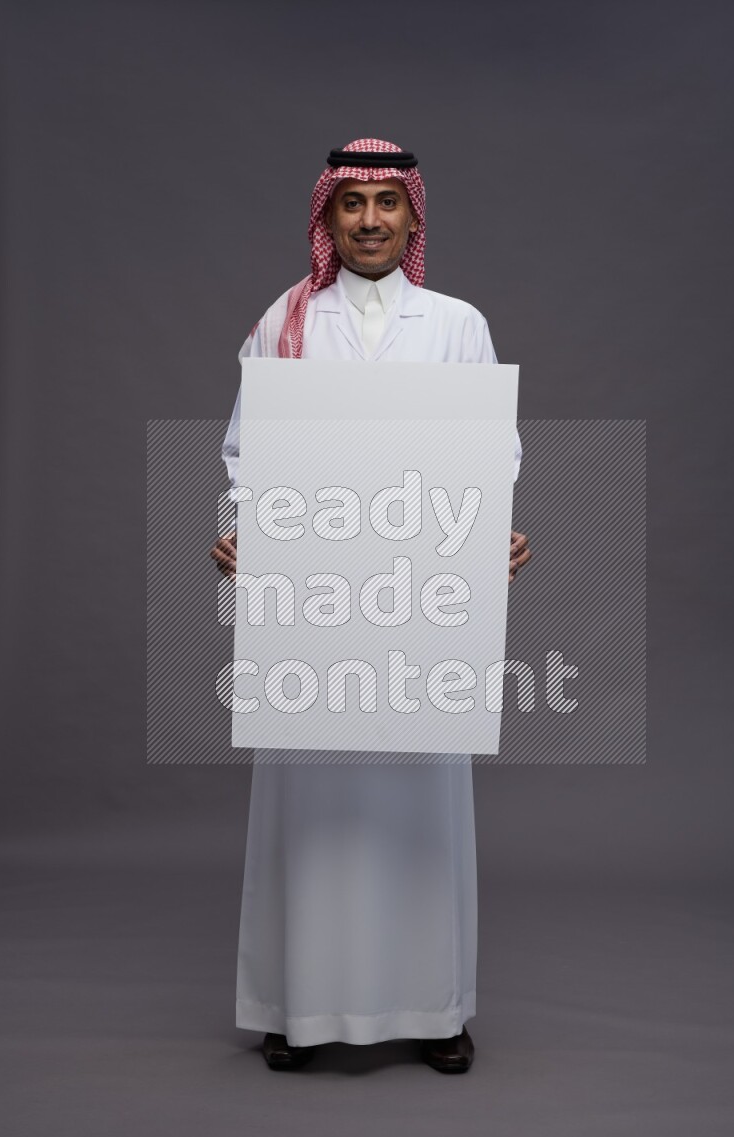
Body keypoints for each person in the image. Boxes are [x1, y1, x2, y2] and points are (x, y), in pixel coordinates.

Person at [211, 139, 530, 1073]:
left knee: (419, 805)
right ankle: (294, 1006)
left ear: (414, 218)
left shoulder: (457, 324)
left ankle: (435, 1009)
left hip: (420, 605)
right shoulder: (285, 322)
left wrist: (489, 536)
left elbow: (492, 452)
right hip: (312, 608)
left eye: (389, 203)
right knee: (309, 804)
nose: (370, 221)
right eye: (353, 205)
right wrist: (241, 533)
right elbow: (245, 451)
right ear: (329, 217)